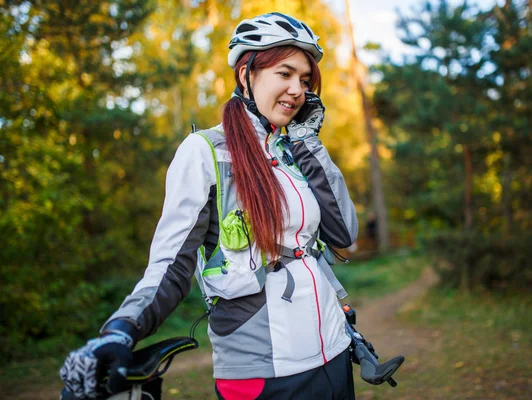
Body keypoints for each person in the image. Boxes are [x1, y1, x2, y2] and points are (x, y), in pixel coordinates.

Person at [60, 12, 358, 400]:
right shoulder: (205, 152)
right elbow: (172, 264)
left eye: (304, 80)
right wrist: (122, 329)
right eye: (284, 74)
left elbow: (343, 233)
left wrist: (307, 142)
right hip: (264, 371)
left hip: (333, 352)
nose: (297, 89)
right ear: (246, 74)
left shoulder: (297, 151)